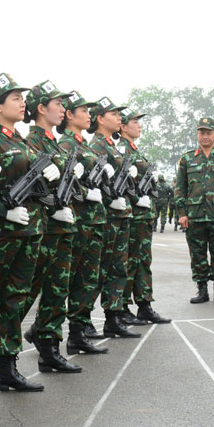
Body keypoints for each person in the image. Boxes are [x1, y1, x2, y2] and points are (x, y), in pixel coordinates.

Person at [0, 73, 58, 392]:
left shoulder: (21, 140)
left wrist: (50, 174)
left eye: (23, 97)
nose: (23, 102)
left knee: (14, 302)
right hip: (1, 236)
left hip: (30, 233)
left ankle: (7, 367)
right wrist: (3, 210)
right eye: (15, 98)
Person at [21, 81, 84, 373]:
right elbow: (27, 187)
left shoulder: (53, 144)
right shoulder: (32, 141)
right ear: (41, 109)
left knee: (57, 290)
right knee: (28, 292)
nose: (63, 109)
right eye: (58, 104)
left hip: (61, 227)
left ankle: (48, 348)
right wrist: (53, 208)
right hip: (43, 227)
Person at [57, 90, 109, 354]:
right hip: (76, 220)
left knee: (87, 279)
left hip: (93, 220)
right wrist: (82, 192)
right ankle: (56, 332)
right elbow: (60, 184)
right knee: (70, 280)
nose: (89, 115)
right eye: (84, 111)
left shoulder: (83, 145)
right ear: (69, 115)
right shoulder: (66, 144)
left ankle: (77, 333)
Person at [87, 97, 139, 338]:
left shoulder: (110, 146)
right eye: (114, 114)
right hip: (106, 217)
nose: (120, 118)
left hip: (120, 214)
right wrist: (111, 201)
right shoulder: (96, 146)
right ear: (100, 118)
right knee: (99, 270)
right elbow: (93, 185)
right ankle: (83, 318)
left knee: (118, 267)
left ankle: (113, 316)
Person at [175, 118, 214, 304]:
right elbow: (180, 187)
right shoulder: (187, 158)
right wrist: (182, 213)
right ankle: (201, 289)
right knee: (197, 254)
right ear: (197, 135)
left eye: (208, 132)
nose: (205, 136)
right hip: (195, 216)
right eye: (201, 133)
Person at [119, 107, 170, 324]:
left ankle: (144, 304)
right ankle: (122, 306)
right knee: (128, 262)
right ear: (122, 126)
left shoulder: (134, 150)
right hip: (131, 214)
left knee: (142, 261)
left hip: (142, 215)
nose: (139, 125)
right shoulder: (121, 150)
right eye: (134, 122)